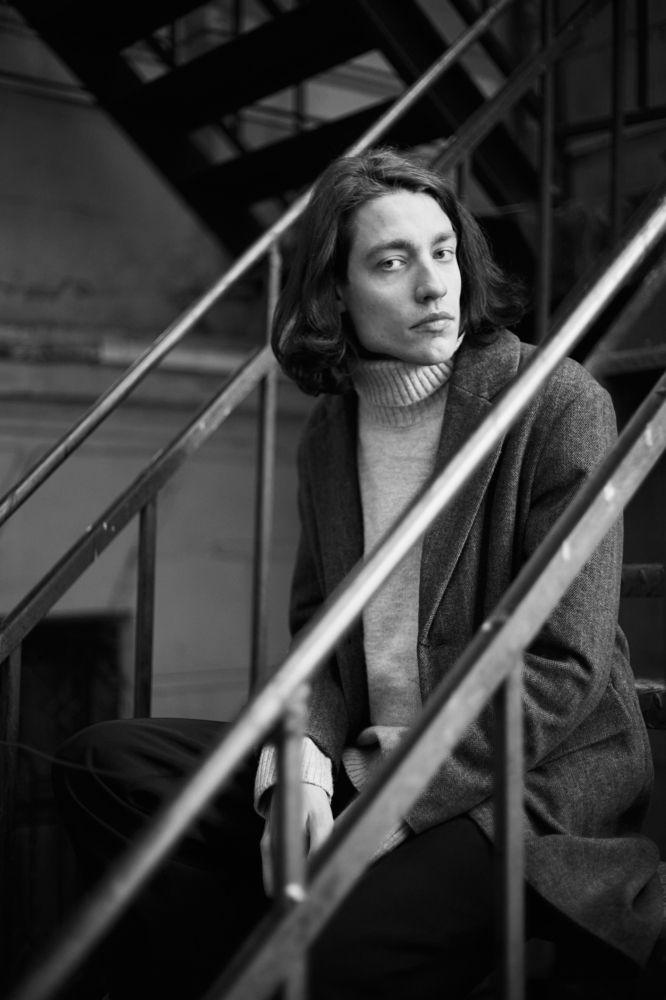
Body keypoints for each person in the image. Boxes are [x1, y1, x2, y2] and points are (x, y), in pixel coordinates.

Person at [53, 147, 663, 1000]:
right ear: (336, 292)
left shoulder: (557, 404)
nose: (434, 285)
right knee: (103, 764)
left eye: (444, 251)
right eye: (392, 262)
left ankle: (272, 961)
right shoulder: (329, 434)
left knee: (310, 965)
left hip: (524, 784)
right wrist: (300, 764)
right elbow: (319, 630)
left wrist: (390, 801)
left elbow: (564, 669)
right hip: (365, 756)